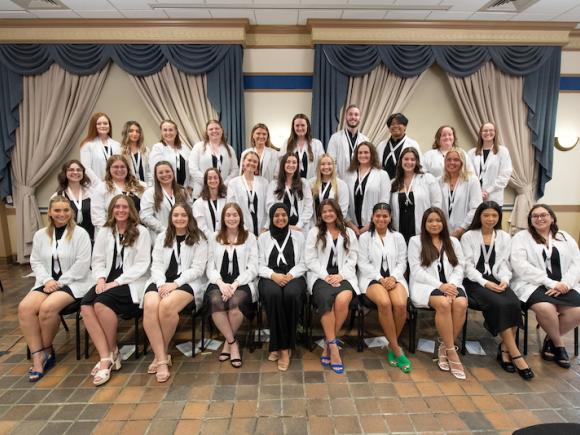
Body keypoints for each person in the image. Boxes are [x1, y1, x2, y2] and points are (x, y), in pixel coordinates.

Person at [18, 196, 92, 382]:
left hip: (75, 282)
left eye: (66, 210)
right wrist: (47, 280)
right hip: (46, 281)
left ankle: (46, 349)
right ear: (50, 212)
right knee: (25, 308)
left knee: (47, 308)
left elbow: (82, 265)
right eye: (57, 210)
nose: (62, 214)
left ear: (71, 212)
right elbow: (35, 261)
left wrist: (59, 282)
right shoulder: (41, 235)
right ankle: (38, 355)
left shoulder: (80, 234)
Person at [81, 195, 151, 386]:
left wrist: (117, 282)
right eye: (117, 207)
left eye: (125, 207)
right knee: (86, 306)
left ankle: (109, 356)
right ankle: (108, 354)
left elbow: (142, 265)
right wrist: (101, 278)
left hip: (131, 283)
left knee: (101, 304)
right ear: (112, 210)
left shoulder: (141, 232)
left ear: (131, 210)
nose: (121, 210)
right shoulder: (104, 231)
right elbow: (98, 260)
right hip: (106, 281)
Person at [462, 201, 533, 379]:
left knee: (514, 303)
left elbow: (505, 265)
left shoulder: (504, 237)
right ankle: (515, 354)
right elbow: (467, 267)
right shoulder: (469, 236)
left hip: (498, 280)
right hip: (475, 282)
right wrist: (485, 282)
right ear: (479, 216)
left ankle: (504, 348)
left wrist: (505, 280)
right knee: (499, 304)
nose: (490, 219)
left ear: (499, 217)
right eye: (486, 215)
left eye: (494, 215)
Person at [143, 203, 208, 382]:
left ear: (189, 218)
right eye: (176, 215)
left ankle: (161, 357)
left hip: (187, 282)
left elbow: (198, 269)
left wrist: (175, 284)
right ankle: (162, 356)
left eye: (183, 215)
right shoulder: (163, 236)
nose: (179, 218)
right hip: (160, 281)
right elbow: (155, 264)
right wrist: (162, 283)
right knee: (150, 306)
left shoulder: (199, 238)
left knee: (166, 306)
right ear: (171, 218)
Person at [510, 204, 580, 369]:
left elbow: (576, 263)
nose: (539, 218)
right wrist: (551, 283)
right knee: (546, 309)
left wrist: (565, 284)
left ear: (552, 218)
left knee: (577, 311)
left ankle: (550, 339)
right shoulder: (521, 237)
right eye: (535, 216)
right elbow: (520, 265)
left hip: (564, 284)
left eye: (544, 215)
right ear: (530, 220)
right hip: (533, 284)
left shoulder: (565, 237)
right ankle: (559, 345)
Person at [408, 207, 467, 379]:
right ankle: (452, 352)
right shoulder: (415, 241)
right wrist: (441, 286)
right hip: (426, 284)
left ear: (444, 223)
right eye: (430, 221)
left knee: (461, 303)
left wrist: (452, 285)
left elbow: (460, 266)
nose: (434, 224)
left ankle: (443, 347)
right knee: (443, 304)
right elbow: (416, 271)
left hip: (452, 284)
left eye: (438, 220)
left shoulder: (453, 242)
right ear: (424, 224)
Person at [305, 199, 359, 374]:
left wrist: (340, 276)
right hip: (321, 276)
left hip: (344, 275)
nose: (328, 214)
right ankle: (334, 349)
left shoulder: (348, 232)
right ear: (320, 215)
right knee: (325, 300)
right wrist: (326, 276)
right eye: (324, 211)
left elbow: (353, 258)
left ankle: (328, 343)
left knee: (343, 300)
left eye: (331, 211)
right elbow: (310, 259)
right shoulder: (315, 232)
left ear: (337, 212)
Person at [357, 203, 411, 373]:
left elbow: (403, 261)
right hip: (371, 279)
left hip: (395, 278)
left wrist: (393, 277)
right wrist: (381, 278)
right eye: (378, 215)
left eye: (385, 216)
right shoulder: (365, 237)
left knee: (401, 305)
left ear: (390, 218)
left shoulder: (398, 237)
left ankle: (390, 345)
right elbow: (363, 263)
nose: (381, 219)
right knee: (385, 303)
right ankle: (396, 349)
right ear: (372, 217)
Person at [205, 203, 259, 369]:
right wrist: (221, 284)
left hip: (242, 282)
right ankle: (233, 343)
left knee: (235, 305)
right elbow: (210, 266)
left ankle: (227, 343)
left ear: (240, 217)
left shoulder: (249, 237)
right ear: (223, 218)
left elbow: (253, 267)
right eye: (228, 215)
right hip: (219, 281)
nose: (231, 218)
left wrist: (235, 284)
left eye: (235, 215)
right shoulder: (215, 237)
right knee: (216, 301)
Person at [257, 203, 307, 371]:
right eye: (276, 215)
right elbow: (257, 264)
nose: (280, 218)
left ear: (288, 216)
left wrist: (290, 275)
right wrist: (273, 275)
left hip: (293, 275)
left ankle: (285, 347)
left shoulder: (299, 236)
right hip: (270, 275)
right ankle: (281, 347)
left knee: (291, 295)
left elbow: (304, 262)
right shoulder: (263, 237)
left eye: (284, 215)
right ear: (271, 218)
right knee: (274, 296)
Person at [390, 148, 441, 243]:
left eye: (412, 159)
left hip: (422, 231)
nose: (409, 162)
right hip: (400, 231)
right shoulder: (393, 183)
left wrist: (432, 226)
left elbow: (436, 204)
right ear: (401, 161)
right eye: (406, 159)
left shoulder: (427, 179)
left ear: (417, 161)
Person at [344, 142, 391, 237]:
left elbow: (384, 202)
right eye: (360, 153)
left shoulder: (382, 174)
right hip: (352, 228)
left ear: (372, 154)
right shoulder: (349, 175)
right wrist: (351, 225)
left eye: (366, 152)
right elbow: (344, 202)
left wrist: (369, 225)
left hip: (373, 226)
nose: (363, 155)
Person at [91, 155, 145, 234]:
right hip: (111, 233)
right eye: (115, 167)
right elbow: (98, 218)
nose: (119, 169)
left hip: (137, 232)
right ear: (109, 169)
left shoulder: (141, 186)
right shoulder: (101, 188)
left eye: (122, 167)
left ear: (127, 168)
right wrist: (114, 234)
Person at [140, 161, 190, 239]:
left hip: (183, 234)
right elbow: (145, 216)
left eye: (167, 171)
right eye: (160, 172)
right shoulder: (150, 193)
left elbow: (190, 211)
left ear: (173, 173)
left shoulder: (182, 191)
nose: (165, 174)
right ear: (156, 175)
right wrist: (165, 230)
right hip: (160, 236)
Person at [439, 147, 482, 239]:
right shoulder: (439, 181)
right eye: (449, 160)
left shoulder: (472, 180)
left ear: (462, 162)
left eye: (456, 160)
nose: (452, 162)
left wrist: (462, 228)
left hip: (465, 231)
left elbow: (476, 207)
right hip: (443, 231)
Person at [467, 122, 513, 206]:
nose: (488, 133)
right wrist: (478, 191)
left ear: (495, 133)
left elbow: (505, 175)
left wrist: (488, 191)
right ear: (481, 133)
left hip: (494, 197)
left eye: (491, 130)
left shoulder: (502, 151)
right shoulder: (471, 153)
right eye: (485, 130)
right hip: (475, 197)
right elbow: (468, 174)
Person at [189, 120, 239, 197]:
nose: (214, 131)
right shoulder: (198, 147)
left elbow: (235, 170)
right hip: (202, 190)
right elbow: (193, 169)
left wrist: (222, 184)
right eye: (211, 129)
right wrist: (209, 182)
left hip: (224, 191)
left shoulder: (229, 149)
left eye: (217, 128)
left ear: (222, 130)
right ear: (207, 132)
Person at [266, 153, 313, 234]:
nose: (291, 165)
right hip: (280, 227)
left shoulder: (304, 183)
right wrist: (282, 224)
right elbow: (270, 206)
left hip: (300, 228)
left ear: (297, 165)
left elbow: (308, 207)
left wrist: (299, 226)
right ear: (283, 164)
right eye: (288, 162)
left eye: (294, 162)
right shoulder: (274, 184)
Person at [227, 151, 269, 236]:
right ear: (243, 163)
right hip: (242, 230)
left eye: (255, 162)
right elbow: (232, 208)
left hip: (263, 230)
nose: (252, 163)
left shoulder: (264, 182)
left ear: (257, 165)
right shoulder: (233, 183)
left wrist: (266, 226)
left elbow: (268, 206)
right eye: (249, 160)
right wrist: (245, 229)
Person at [54, 159, 96, 242]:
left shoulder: (92, 194)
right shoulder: (58, 195)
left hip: (90, 239)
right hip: (67, 240)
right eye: (71, 170)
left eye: (79, 170)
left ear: (83, 173)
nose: (75, 172)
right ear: (65, 173)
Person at [376, 113, 423, 181]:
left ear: (405, 126)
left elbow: (420, 167)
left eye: (398, 123)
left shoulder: (413, 144)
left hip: (404, 184)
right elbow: (376, 166)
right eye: (392, 124)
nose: (395, 126)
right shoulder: (381, 145)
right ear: (389, 128)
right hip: (383, 183)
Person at [327, 105, 369, 178]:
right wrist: (339, 182)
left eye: (356, 115)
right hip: (340, 181)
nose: (353, 117)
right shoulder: (335, 138)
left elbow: (367, 163)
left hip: (359, 182)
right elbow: (331, 162)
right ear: (346, 117)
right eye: (350, 114)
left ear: (360, 118)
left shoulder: (365, 140)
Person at [278, 114, 324, 180]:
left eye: (302, 125)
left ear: (307, 126)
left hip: (311, 183)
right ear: (293, 127)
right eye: (297, 125)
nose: (300, 128)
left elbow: (321, 165)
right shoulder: (287, 143)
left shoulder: (317, 144)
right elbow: (281, 165)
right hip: (291, 184)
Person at [149, 120, 191, 190]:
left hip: (185, 190)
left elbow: (191, 168)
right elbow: (155, 171)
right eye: (165, 130)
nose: (168, 133)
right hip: (167, 190)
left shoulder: (185, 148)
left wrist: (190, 187)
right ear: (161, 132)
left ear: (176, 131)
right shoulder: (158, 148)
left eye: (171, 130)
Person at [80, 112, 121, 182]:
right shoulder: (87, 145)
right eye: (99, 124)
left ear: (109, 126)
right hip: (95, 186)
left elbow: (120, 166)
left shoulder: (117, 145)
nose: (103, 126)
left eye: (105, 123)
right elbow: (86, 168)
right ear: (94, 126)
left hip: (114, 185)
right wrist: (99, 184)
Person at [309, 153, 349, 222]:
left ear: (333, 166)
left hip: (335, 226)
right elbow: (308, 208)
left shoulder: (342, 185)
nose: (326, 167)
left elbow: (343, 211)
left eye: (329, 164)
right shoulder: (311, 183)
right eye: (323, 164)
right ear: (318, 166)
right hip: (315, 226)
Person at [193, 168, 227, 239]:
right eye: (210, 178)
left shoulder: (227, 200)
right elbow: (201, 226)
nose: (213, 180)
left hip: (225, 240)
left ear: (219, 180)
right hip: (206, 242)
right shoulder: (198, 203)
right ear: (206, 181)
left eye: (215, 178)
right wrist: (213, 239)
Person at [120, 120, 150, 186]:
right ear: (126, 133)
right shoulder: (120, 151)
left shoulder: (145, 150)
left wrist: (150, 186)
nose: (135, 134)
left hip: (145, 187)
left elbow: (149, 171)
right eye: (131, 131)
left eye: (137, 131)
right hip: (129, 187)